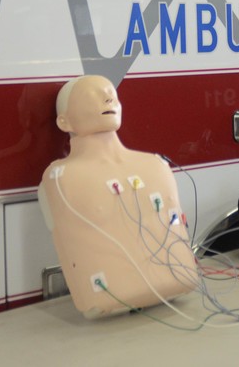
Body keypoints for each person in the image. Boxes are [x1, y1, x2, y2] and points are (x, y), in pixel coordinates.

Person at [38, 75, 198, 318]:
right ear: (64, 121)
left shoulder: (156, 166)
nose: (108, 97)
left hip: (176, 291)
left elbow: (174, 224)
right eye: (92, 94)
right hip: (105, 303)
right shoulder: (61, 179)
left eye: (111, 92)